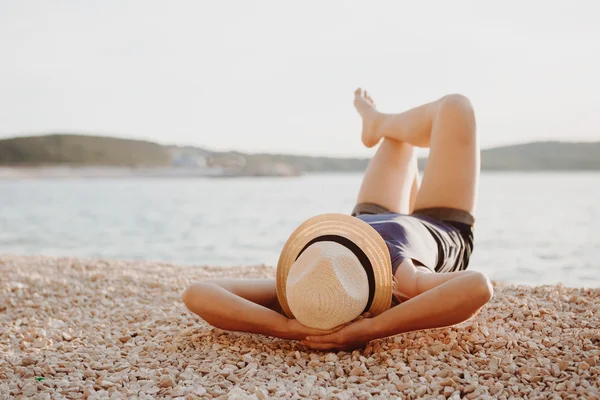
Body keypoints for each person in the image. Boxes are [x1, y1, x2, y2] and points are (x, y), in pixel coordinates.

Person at [183, 89, 493, 351]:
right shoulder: (404, 282)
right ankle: (380, 121)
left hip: (366, 219)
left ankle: (379, 124)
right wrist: (371, 330)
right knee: (456, 108)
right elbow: (477, 287)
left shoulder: (308, 284)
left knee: (396, 141)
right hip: (439, 224)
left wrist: (285, 327)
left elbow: (198, 293)